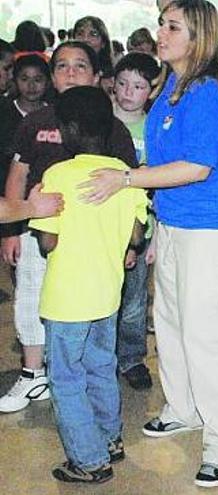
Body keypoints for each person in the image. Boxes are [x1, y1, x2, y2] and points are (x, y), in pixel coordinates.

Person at [78, 0, 218, 487]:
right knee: (171, 322)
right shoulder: (172, 85)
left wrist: (126, 180)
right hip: (178, 222)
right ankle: (185, 407)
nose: (161, 31)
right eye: (162, 23)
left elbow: (196, 168)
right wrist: (158, 224)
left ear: (197, 35)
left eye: (172, 25)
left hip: (214, 227)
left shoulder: (210, 93)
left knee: (209, 335)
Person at [0, 41, 137, 414]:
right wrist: (12, 229)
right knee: (30, 297)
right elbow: (19, 173)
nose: (71, 72)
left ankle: (89, 377)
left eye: (81, 66)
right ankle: (33, 374)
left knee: (94, 310)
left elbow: (131, 185)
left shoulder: (114, 130)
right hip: (38, 228)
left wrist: (130, 244)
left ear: (97, 77)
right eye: (62, 66)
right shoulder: (35, 123)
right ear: (51, 77)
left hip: (94, 242)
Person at [29, 85, 147, 484]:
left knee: (66, 379)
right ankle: (111, 438)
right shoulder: (123, 178)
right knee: (101, 366)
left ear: (69, 129)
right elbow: (135, 237)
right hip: (107, 295)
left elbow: (48, 241)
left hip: (66, 300)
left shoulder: (57, 175)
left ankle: (90, 459)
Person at [112, 51, 161, 390]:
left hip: (140, 229)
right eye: (123, 84)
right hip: (101, 228)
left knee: (133, 300)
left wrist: (153, 236)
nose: (129, 92)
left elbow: (160, 184)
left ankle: (131, 357)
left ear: (151, 91)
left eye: (139, 86)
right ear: (111, 85)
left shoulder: (155, 128)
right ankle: (99, 357)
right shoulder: (101, 122)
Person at [0, 54, 51, 195]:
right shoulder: (4, 111)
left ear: (48, 81)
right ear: (14, 80)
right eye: (24, 79)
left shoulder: (54, 115)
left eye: (38, 79)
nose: (31, 86)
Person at [72, 16, 113, 81]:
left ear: (103, 43)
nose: (85, 39)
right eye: (80, 34)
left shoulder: (112, 78)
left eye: (93, 34)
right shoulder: (65, 71)